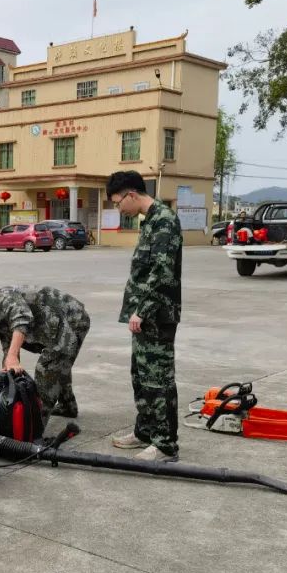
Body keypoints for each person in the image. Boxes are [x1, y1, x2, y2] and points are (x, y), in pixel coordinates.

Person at [104, 169, 183, 463]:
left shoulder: (164, 220)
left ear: (132, 195)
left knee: (158, 378)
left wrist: (142, 310)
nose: (118, 208)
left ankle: (165, 445)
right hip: (144, 315)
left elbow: (161, 272)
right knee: (140, 375)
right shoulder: (149, 221)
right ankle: (146, 431)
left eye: (117, 202)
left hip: (156, 315)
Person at [0, 285, 90, 422]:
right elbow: (9, 351)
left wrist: (12, 356)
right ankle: (67, 406)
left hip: (73, 318)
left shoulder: (3, 297)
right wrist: (8, 374)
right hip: (56, 327)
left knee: (47, 368)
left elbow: (22, 318)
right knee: (59, 364)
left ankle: (35, 429)